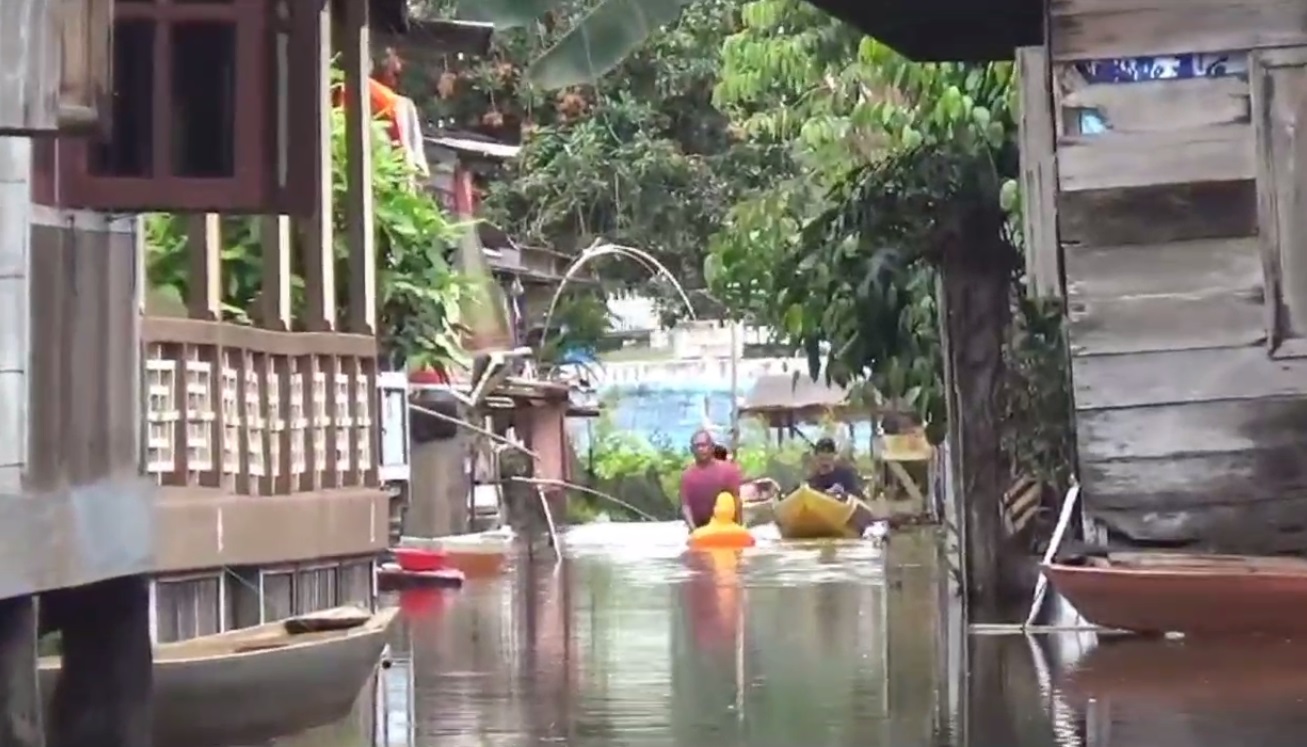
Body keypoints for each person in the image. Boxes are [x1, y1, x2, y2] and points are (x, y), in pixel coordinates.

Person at [679, 430, 743, 528]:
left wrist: (739, 526)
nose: (701, 449)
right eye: (697, 446)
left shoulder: (727, 470)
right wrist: (693, 530)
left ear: (712, 448)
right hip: (700, 530)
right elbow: (686, 506)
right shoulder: (687, 476)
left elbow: (736, 500)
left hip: (726, 529)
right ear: (692, 449)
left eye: (704, 445)